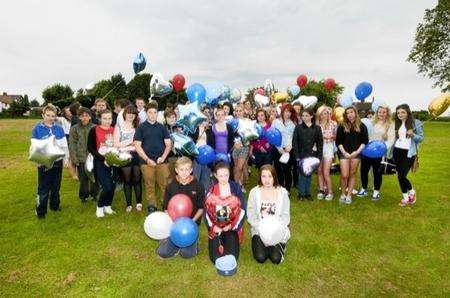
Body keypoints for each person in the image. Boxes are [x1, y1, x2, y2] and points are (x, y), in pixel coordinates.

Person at [156, 157, 205, 259]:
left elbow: (201, 208)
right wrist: (171, 223)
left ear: (191, 170)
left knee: (187, 254)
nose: (184, 172)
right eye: (181, 170)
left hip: (190, 225)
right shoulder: (170, 186)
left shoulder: (198, 186)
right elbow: (166, 208)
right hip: (174, 225)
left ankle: (193, 241)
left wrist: (191, 222)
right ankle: (171, 241)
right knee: (162, 253)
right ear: (176, 170)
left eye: (187, 169)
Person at [247, 165, 290, 264]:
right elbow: (251, 214)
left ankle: (280, 244)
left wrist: (276, 230)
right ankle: (264, 245)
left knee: (275, 259)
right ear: (260, 177)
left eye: (270, 176)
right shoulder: (254, 192)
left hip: (277, 230)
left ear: (274, 177)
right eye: (264, 176)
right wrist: (261, 228)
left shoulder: (282, 192)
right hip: (259, 230)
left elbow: (285, 215)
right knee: (260, 257)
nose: (267, 180)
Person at [204, 162, 246, 263]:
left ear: (229, 174)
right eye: (220, 176)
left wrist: (232, 225)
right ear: (215, 176)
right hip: (216, 227)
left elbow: (243, 210)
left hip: (231, 227)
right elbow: (206, 212)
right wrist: (213, 227)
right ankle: (218, 239)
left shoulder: (235, 188)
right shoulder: (212, 190)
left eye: (226, 175)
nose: (223, 178)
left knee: (232, 257)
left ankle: (231, 238)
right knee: (215, 259)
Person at [134, 100, 172, 213]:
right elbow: (137, 146)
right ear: (146, 113)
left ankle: (165, 205)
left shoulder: (162, 127)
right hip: (146, 162)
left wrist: (163, 157)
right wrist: (147, 159)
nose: (152, 115)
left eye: (155, 112)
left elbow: (168, 144)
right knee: (149, 184)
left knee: (164, 184)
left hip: (162, 161)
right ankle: (152, 206)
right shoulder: (141, 128)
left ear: (157, 113)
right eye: (150, 112)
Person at [32, 104, 68, 219]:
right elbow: (34, 147)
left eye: (53, 116)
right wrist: (38, 160)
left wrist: (65, 159)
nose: (50, 118)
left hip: (57, 162)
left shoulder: (59, 129)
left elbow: (64, 146)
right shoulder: (37, 129)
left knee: (56, 186)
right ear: (43, 115)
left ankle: (55, 206)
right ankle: (41, 211)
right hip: (43, 163)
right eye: (48, 115)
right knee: (43, 188)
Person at [356, 104, 395, 200]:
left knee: (377, 172)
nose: (381, 114)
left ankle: (376, 192)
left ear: (387, 113)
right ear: (377, 112)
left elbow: (391, 139)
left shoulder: (390, 124)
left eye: (384, 112)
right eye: (379, 112)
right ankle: (364, 188)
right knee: (363, 171)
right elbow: (365, 135)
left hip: (379, 151)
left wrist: (382, 147)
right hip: (367, 150)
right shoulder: (371, 122)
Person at [390, 104, 424, 206]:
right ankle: (405, 197)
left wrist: (413, 134)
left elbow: (421, 138)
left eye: (403, 112)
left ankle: (412, 191)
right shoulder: (396, 123)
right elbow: (395, 138)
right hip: (397, 151)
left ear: (408, 112)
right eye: (398, 113)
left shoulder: (415, 123)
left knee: (402, 175)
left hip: (409, 153)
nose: (400, 114)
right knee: (399, 176)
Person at [336, 106, 368, 204]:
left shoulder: (362, 126)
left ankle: (349, 195)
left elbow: (365, 141)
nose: (349, 114)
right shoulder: (342, 125)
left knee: (352, 173)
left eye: (351, 112)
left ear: (355, 113)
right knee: (345, 175)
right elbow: (338, 142)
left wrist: (357, 152)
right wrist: (344, 152)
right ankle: (343, 194)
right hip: (343, 153)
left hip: (356, 153)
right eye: (348, 113)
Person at [87, 110, 117, 218]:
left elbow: (117, 145)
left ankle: (108, 206)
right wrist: (102, 158)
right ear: (100, 118)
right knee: (107, 186)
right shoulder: (94, 130)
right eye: (105, 118)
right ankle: (99, 207)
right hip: (100, 162)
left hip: (114, 162)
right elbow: (90, 148)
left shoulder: (115, 130)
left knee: (113, 185)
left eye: (109, 118)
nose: (107, 121)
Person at [113, 105, 142, 212]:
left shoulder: (138, 126)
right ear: (124, 114)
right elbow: (116, 144)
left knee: (137, 179)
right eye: (129, 113)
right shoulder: (118, 127)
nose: (131, 115)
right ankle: (129, 204)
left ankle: (139, 203)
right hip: (124, 156)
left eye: (133, 113)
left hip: (136, 155)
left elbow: (141, 143)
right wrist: (130, 141)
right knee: (127, 180)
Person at [292, 108, 323, 200]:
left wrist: (319, 157)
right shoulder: (298, 127)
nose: (304, 117)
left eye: (306, 115)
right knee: (302, 174)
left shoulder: (317, 128)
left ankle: (307, 193)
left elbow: (320, 143)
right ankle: (301, 194)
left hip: (312, 155)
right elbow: (295, 142)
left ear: (311, 116)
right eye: (303, 116)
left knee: (309, 174)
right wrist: (297, 156)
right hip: (301, 154)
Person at [69, 107, 98, 202]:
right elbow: (72, 143)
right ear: (79, 117)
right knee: (83, 179)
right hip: (81, 157)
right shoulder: (74, 128)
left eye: (87, 116)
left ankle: (94, 195)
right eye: (82, 116)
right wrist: (74, 158)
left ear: (90, 117)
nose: (84, 118)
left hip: (92, 157)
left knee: (94, 177)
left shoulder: (95, 127)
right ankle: (83, 196)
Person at [271, 104, 298, 192]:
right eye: (286, 111)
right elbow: (272, 135)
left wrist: (289, 147)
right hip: (277, 149)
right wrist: (279, 148)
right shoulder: (275, 122)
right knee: (278, 169)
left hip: (288, 149)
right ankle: (280, 186)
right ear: (282, 111)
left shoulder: (292, 124)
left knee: (287, 169)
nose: (288, 113)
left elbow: (293, 137)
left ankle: (287, 188)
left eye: (290, 112)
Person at [316, 106, 338, 201]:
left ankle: (330, 192)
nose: (324, 115)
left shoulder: (333, 123)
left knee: (326, 172)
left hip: (329, 148)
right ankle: (321, 190)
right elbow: (315, 138)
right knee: (320, 171)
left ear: (328, 114)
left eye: (325, 113)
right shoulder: (317, 125)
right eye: (321, 114)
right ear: (319, 115)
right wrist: (323, 138)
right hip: (319, 148)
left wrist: (331, 137)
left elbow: (336, 137)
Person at [232, 104, 251, 192]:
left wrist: (248, 143)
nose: (239, 112)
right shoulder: (233, 122)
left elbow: (251, 134)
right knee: (236, 167)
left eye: (240, 110)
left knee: (240, 167)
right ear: (235, 112)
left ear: (244, 111)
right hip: (235, 147)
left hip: (244, 147)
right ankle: (238, 184)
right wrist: (234, 143)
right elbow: (230, 134)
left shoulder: (248, 121)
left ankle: (239, 186)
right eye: (237, 110)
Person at [56, 106, 78, 180]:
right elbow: (55, 118)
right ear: (65, 113)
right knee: (70, 157)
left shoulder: (76, 118)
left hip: (76, 137)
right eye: (67, 111)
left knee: (76, 156)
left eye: (70, 110)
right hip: (67, 138)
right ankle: (74, 175)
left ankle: (77, 173)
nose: (69, 112)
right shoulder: (62, 119)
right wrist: (53, 109)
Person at [164, 108, 182, 181]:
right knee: (170, 177)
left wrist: (181, 134)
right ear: (165, 118)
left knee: (180, 176)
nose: (171, 119)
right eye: (169, 117)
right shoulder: (163, 128)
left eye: (173, 117)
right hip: (168, 156)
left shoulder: (180, 127)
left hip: (179, 155)